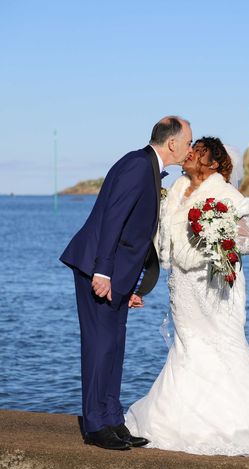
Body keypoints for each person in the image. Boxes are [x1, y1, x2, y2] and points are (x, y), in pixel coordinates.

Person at [125, 137, 249, 457]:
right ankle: (176, 422)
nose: (189, 153)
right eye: (191, 149)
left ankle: (241, 425)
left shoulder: (227, 194)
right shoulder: (175, 191)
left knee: (223, 346)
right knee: (187, 347)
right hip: (184, 285)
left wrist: (218, 230)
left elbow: (248, 243)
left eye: (199, 151)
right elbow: (159, 237)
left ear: (215, 164)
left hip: (216, 286)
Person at [60, 116, 193, 450]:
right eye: (188, 142)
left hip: (115, 275)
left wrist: (130, 286)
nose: (190, 149)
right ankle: (95, 426)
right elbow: (112, 220)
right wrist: (103, 273)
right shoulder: (137, 166)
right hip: (96, 269)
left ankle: (112, 420)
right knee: (99, 346)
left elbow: (135, 236)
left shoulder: (147, 167)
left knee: (114, 347)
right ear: (173, 143)